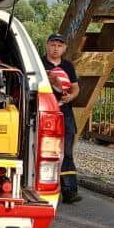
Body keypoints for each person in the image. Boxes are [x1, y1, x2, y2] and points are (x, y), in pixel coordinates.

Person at [42, 32, 82, 204]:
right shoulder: (39, 63)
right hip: (44, 111)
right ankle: (41, 187)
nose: (56, 48)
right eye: (53, 44)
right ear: (47, 45)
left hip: (64, 111)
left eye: (59, 45)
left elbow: (75, 88)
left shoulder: (68, 66)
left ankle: (69, 191)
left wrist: (70, 97)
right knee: (44, 149)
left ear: (64, 48)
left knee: (66, 150)